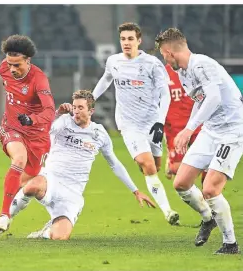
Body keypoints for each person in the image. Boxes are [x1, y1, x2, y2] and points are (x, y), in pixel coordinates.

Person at [9, 90, 156, 240]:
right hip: (51, 179)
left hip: (72, 192)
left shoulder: (99, 133)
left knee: (60, 237)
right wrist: (58, 113)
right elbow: (44, 128)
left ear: (91, 111)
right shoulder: (64, 121)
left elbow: (115, 164)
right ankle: (5, 219)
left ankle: (46, 232)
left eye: (80, 108)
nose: (76, 112)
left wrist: (135, 191)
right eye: (74, 107)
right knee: (33, 185)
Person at [155, 27, 242, 254]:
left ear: (169, 52)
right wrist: (188, 130)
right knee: (181, 183)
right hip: (210, 130)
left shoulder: (202, 65)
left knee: (211, 189)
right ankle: (208, 218)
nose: (164, 59)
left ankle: (230, 243)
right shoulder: (183, 72)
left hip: (232, 132)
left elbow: (213, 97)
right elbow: (199, 100)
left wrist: (190, 128)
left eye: (163, 55)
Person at [92, 22, 179, 225]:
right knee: (147, 165)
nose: (126, 43)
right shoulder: (113, 61)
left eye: (130, 39)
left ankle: (144, 162)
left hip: (151, 121)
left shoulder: (151, 64)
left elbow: (165, 93)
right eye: (123, 39)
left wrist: (160, 122)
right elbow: (106, 79)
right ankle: (168, 211)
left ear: (139, 41)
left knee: (154, 166)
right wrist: (91, 99)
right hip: (128, 123)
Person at [0, 35, 55, 241]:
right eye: (9, 63)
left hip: (37, 135)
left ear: (28, 61)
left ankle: (14, 215)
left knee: (27, 182)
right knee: (19, 159)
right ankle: (3, 216)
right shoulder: (3, 68)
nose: (12, 69)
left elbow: (50, 111)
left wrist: (31, 119)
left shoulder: (39, 79)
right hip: (11, 127)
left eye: (17, 65)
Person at [164, 64, 206, 184]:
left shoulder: (195, 71)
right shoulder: (162, 73)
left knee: (208, 163)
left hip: (196, 125)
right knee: (178, 170)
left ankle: (208, 196)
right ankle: (172, 163)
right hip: (175, 128)